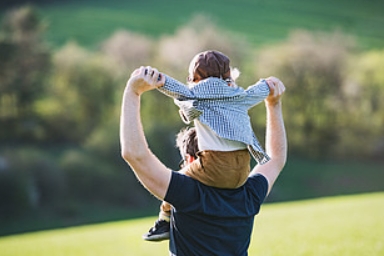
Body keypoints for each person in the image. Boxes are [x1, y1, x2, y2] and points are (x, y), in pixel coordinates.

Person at [120, 66, 287, 255]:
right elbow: (276, 158)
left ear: (192, 159)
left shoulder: (188, 194)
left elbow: (134, 154)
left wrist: (133, 91)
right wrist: (274, 104)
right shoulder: (248, 195)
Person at [143, 50, 273, 241]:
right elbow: (260, 90)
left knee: (174, 182)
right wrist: (269, 84)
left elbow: (174, 88)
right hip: (243, 170)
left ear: (194, 78)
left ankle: (164, 220)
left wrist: (159, 80)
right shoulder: (240, 96)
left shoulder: (196, 95)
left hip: (214, 166)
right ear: (229, 76)